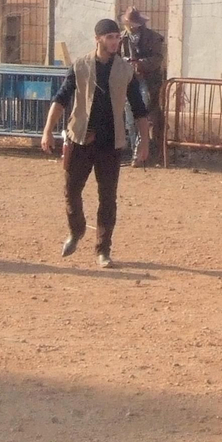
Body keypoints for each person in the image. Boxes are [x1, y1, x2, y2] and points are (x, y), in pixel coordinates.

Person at [40, 19, 151, 267]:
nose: (115, 42)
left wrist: (144, 142)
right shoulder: (80, 66)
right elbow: (60, 100)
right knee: (71, 190)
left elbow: (140, 109)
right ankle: (77, 229)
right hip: (80, 138)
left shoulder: (125, 71)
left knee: (108, 197)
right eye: (110, 37)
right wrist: (47, 131)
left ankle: (103, 249)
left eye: (116, 37)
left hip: (110, 143)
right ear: (98, 39)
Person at [121, 7, 166, 166]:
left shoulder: (153, 38)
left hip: (148, 82)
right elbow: (117, 59)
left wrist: (140, 64)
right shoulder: (122, 39)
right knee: (130, 120)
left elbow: (157, 59)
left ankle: (142, 154)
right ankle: (136, 152)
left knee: (144, 116)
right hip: (129, 82)